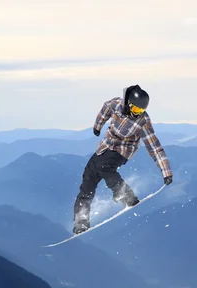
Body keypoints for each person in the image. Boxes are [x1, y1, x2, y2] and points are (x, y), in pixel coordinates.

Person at [72, 84, 173, 234]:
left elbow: (154, 146)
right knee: (88, 177)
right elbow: (106, 108)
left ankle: (126, 195)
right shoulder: (117, 104)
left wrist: (166, 171)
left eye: (141, 110)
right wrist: (97, 125)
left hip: (123, 150)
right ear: (128, 103)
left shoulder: (142, 121)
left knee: (105, 167)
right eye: (136, 109)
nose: (138, 113)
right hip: (105, 146)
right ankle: (81, 222)